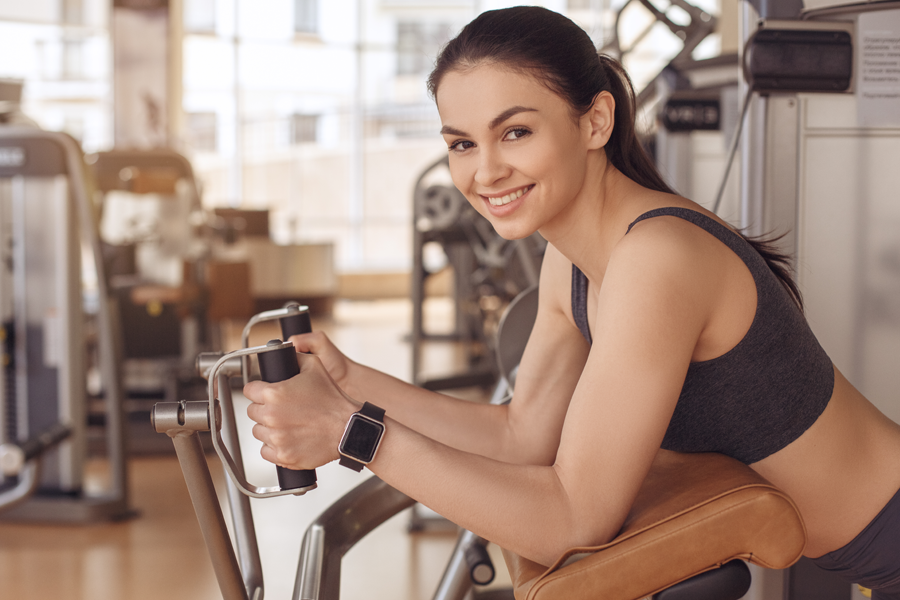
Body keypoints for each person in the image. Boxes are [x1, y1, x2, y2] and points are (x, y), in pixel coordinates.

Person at [243, 6, 900, 598]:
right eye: (462, 144)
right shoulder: (576, 256)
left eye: (516, 133)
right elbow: (522, 436)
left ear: (596, 121)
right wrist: (352, 383)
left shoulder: (657, 258)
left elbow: (570, 516)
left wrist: (353, 434)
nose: (486, 171)